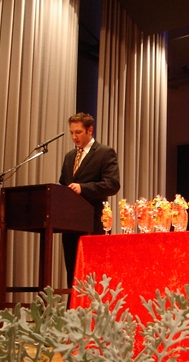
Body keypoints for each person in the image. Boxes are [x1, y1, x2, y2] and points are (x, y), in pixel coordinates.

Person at [59, 113, 120, 290]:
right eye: (71, 132)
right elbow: (63, 184)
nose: (74, 137)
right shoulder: (69, 156)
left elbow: (112, 184)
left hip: (93, 222)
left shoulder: (104, 153)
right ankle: (73, 306)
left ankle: (93, 307)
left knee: (92, 273)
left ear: (90, 130)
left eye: (78, 132)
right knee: (73, 274)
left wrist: (83, 188)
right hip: (70, 223)